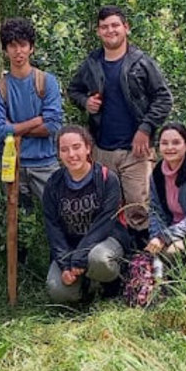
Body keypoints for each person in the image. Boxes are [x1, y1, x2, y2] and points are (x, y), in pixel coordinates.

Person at [67, 6, 173, 241]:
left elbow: (164, 98)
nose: (110, 30)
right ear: (98, 32)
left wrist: (145, 129)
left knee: (139, 207)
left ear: (126, 27)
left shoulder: (141, 62)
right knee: (105, 210)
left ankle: (143, 265)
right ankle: (112, 268)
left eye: (115, 25)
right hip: (101, 149)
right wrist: (86, 102)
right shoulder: (92, 63)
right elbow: (73, 90)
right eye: (104, 27)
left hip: (136, 151)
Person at [43, 126, 132, 304]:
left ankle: (113, 285)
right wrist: (65, 264)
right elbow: (53, 227)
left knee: (99, 260)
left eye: (76, 147)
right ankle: (88, 290)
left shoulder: (107, 178)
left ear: (88, 148)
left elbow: (105, 223)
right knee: (57, 290)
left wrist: (80, 257)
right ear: (59, 154)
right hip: (71, 246)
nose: (71, 154)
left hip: (105, 240)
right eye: (64, 149)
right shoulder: (53, 184)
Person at [0, 18, 64, 206]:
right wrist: (36, 121)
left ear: (31, 48)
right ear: (5, 51)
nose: (18, 51)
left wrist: (12, 128)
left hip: (46, 163)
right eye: (12, 46)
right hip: (12, 165)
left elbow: (53, 125)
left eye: (22, 45)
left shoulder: (46, 81)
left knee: (59, 214)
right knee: (16, 223)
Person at [146, 122, 186, 260]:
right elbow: (155, 211)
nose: (170, 148)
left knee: (170, 253)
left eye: (176, 143)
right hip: (170, 230)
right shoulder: (157, 173)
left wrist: (164, 237)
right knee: (152, 252)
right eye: (164, 143)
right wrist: (156, 236)